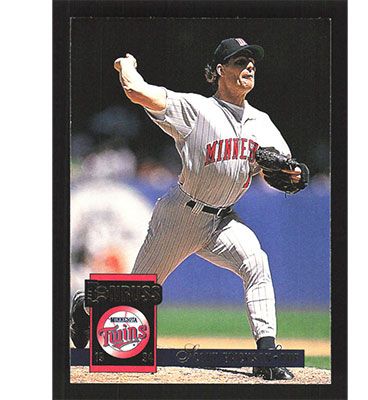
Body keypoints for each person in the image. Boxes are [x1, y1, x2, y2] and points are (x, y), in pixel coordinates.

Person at [71, 38, 306, 380]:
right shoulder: (196, 109)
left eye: (252, 62)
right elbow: (137, 92)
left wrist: (294, 174)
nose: (249, 66)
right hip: (181, 217)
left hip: (222, 221)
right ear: (219, 70)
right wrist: (127, 66)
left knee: (256, 262)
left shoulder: (262, 122)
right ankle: (86, 308)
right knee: (137, 297)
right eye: (240, 61)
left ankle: (267, 354)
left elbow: (285, 172)